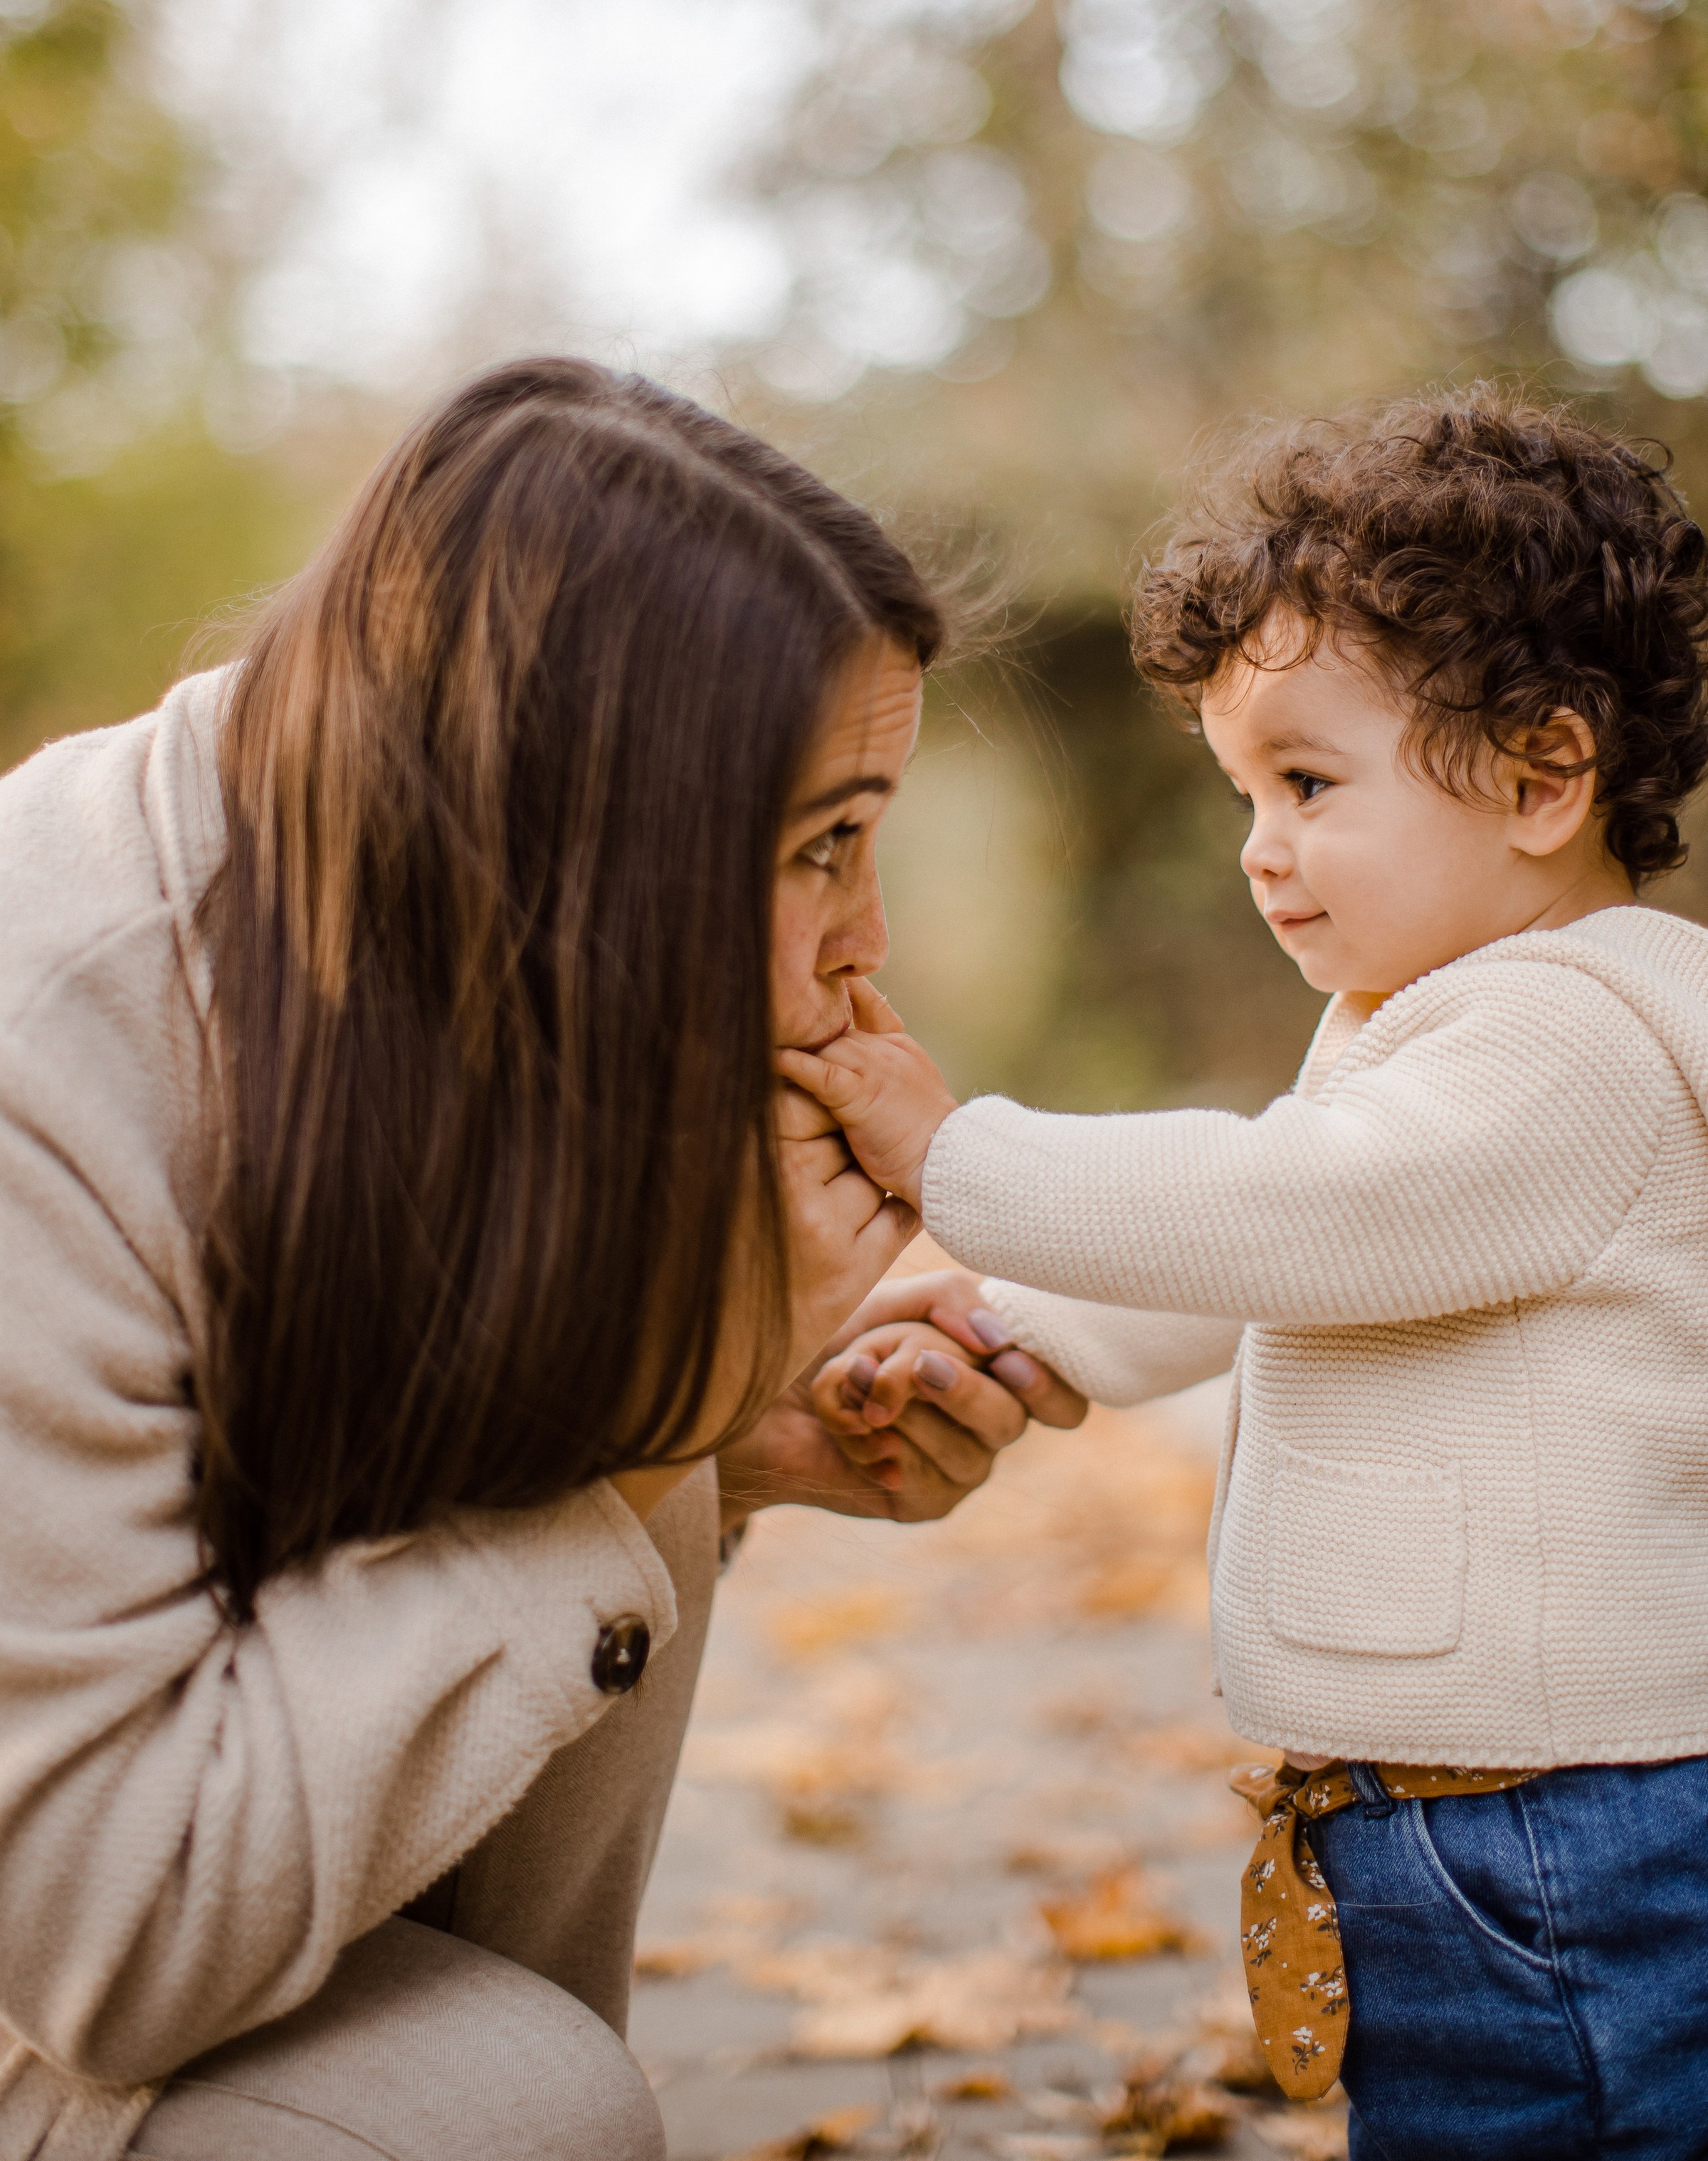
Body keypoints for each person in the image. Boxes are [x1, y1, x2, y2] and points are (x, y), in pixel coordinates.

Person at [0, 357, 1082, 2161]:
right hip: (56, 1951)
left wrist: (730, 1432)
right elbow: (107, 1941)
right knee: (516, 2114)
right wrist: (655, 1420)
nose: (864, 943)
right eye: (821, 849)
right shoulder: (50, 1048)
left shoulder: (417, 900)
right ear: (588, 826)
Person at [791, 387, 1708, 2161]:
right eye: (1243, 792)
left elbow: (1289, 1208)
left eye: (1306, 782)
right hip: (1497, 1826)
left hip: (1566, 1837)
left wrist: (950, 1160)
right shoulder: (1438, 1039)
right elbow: (1298, 1263)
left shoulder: (1565, 1051)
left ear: (1538, 770)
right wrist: (1008, 1325)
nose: (1259, 845)